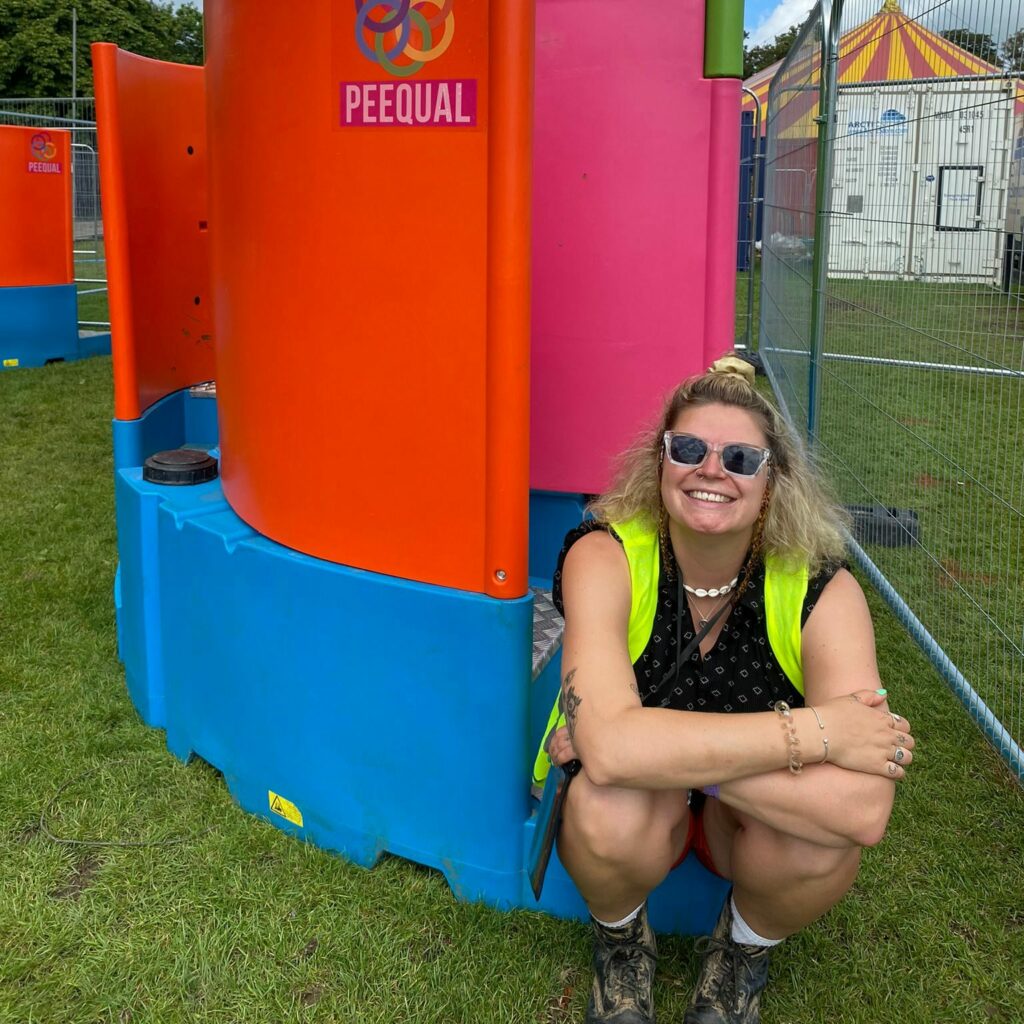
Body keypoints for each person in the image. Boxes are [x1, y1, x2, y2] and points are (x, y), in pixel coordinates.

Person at [534, 355, 916, 1024]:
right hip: (641, 807)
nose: (711, 469)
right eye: (689, 449)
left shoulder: (823, 589)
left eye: (740, 458)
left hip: (737, 822)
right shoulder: (605, 554)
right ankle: (623, 943)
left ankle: (741, 951)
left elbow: (863, 811)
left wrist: (659, 755)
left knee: (823, 837)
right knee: (604, 806)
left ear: (772, 483)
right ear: (661, 463)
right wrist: (818, 734)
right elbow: (616, 759)